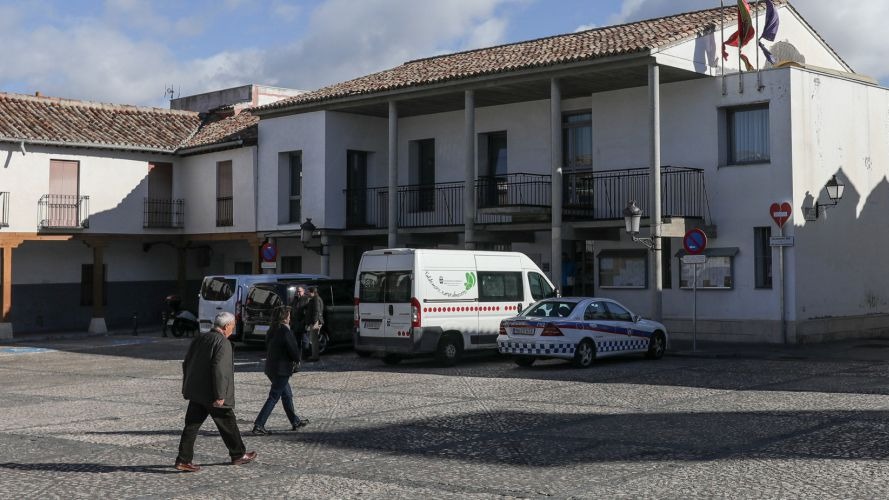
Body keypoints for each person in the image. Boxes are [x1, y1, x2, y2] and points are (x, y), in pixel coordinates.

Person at [174, 311, 256, 473]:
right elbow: (220, 371)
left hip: (198, 391)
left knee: (191, 426)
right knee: (228, 422)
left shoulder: (201, 338)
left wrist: (187, 387)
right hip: (212, 394)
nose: (233, 329)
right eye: (232, 326)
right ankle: (238, 455)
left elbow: (187, 363)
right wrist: (220, 395)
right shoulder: (222, 343)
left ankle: (183, 460)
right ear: (226, 326)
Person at [252, 306, 310, 435]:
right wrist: (297, 359)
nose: (290, 317)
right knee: (274, 397)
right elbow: (293, 350)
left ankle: (295, 421)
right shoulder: (285, 331)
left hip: (271, 368)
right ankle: (259, 425)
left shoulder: (273, 329)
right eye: (288, 315)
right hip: (281, 369)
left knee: (287, 395)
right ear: (284, 317)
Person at [305, 286, 324, 362]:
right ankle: (314, 355)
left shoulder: (316, 299)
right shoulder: (314, 299)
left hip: (315, 322)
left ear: (312, 292)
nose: (307, 293)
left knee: (314, 340)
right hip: (314, 321)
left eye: (308, 292)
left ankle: (315, 356)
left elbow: (317, 311)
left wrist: (315, 322)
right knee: (313, 339)